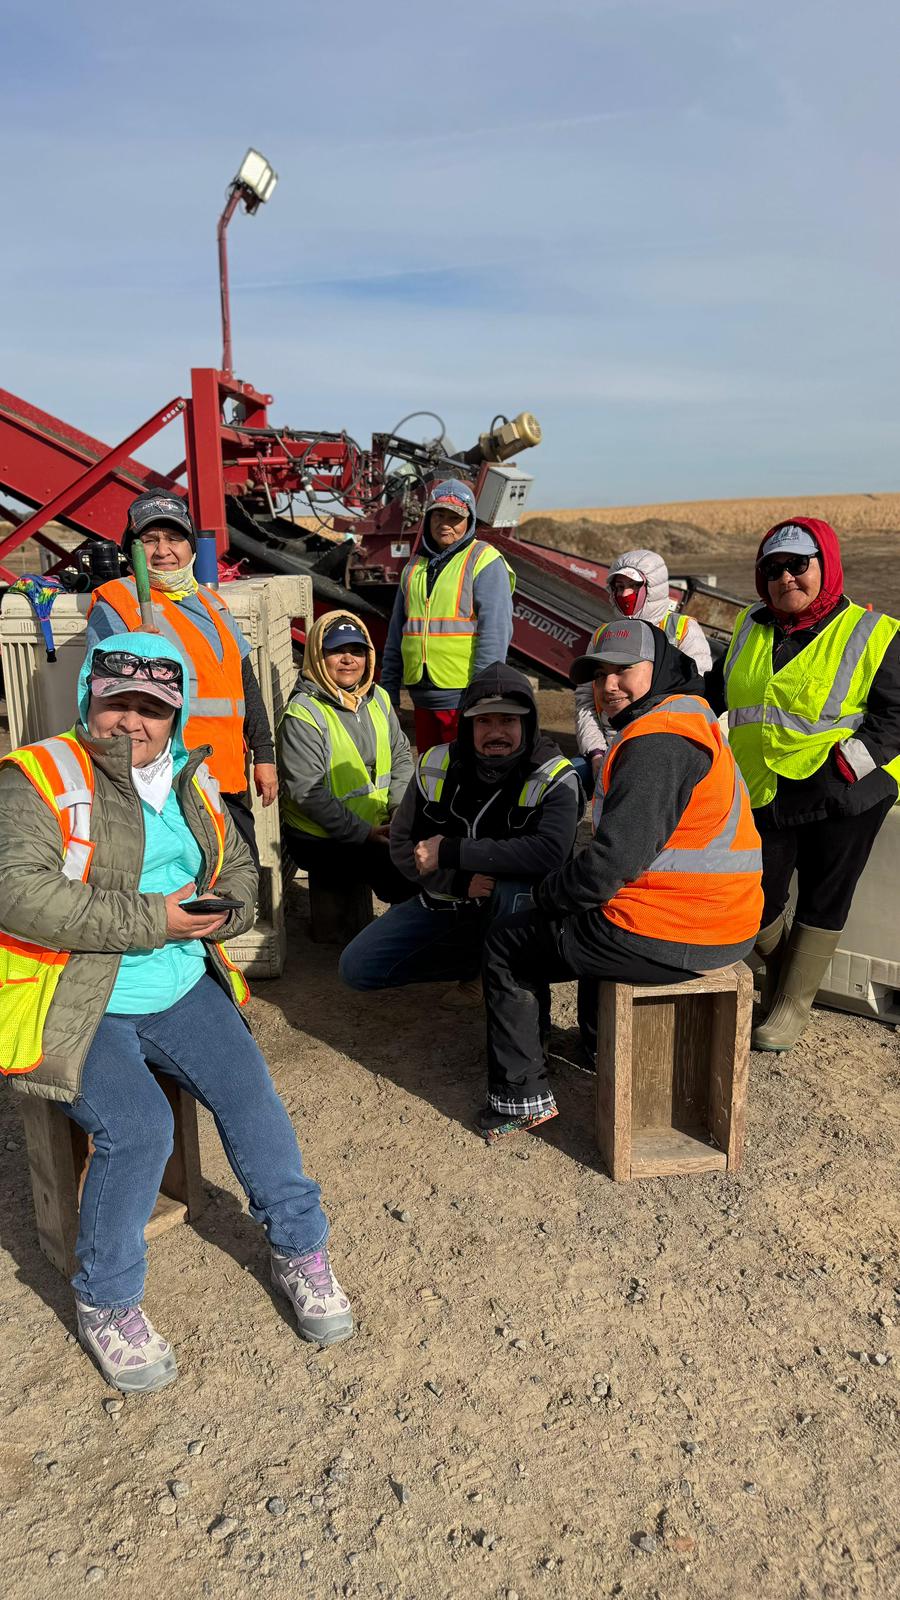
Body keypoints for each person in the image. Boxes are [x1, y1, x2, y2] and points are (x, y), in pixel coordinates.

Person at [0, 634, 353, 1393]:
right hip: (78, 998)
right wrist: (154, 921)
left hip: (180, 983)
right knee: (139, 1128)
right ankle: (106, 1298)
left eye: (153, 709)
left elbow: (233, 871)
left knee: (251, 1094)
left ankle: (301, 1248)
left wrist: (220, 916)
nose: (133, 722)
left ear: (176, 714)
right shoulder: (39, 776)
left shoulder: (193, 777)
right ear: (89, 697)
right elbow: (18, 894)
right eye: (117, 702)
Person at [479, 620, 763, 1142]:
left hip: (679, 929)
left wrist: (545, 894)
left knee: (508, 941)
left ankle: (521, 1096)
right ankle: (593, 1042)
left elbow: (608, 866)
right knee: (586, 916)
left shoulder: (657, 743)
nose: (609, 685)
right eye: (599, 674)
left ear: (658, 670)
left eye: (623, 671)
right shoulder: (688, 716)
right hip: (723, 916)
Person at [707, 517, 900, 1052]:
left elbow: (896, 715)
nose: (785, 577)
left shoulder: (874, 631)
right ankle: (786, 973)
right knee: (756, 897)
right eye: (772, 568)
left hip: (847, 791)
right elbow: (719, 691)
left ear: (826, 566)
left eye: (798, 565)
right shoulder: (751, 624)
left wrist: (848, 766)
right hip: (767, 785)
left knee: (823, 894)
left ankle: (791, 1005)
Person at [339, 662, 580, 1008]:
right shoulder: (436, 763)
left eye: (508, 720)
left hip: (521, 911)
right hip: (449, 900)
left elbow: (549, 853)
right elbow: (404, 842)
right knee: (357, 968)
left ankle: (500, 973)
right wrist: (457, 883)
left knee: (515, 897)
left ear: (527, 724)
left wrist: (455, 851)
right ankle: (478, 965)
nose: (496, 731)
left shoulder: (554, 773)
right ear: (467, 724)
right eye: (484, 721)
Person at [85, 490, 277, 862]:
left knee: (238, 879)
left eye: (174, 538)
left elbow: (245, 685)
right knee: (183, 892)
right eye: (149, 540)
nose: (163, 551)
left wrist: (265, 755)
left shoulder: (214, 604)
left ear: (191, 548)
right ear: (132, 550)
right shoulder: (116, 604)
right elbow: (99, 700)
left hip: (226, 777)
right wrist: (130, 654)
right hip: (166, 784)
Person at [278, 611, 416, 904]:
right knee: (407, 875)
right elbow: (307, 793)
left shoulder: (377, 697)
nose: (348, 659)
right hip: (321, 836)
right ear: (317, 655)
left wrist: (400, 812)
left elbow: (402, 755)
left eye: (357, 650)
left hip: (378, 823)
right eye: (336, 651)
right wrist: (364, 833)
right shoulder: (304, 713)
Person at [381, 478, 515, 751]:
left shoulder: (484, 561)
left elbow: (495, 634)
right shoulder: (413, 568)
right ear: (428, 518)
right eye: (438, 514)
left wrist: (482, 696)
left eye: (455, 517)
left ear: (469, 521)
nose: (445, 523)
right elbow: (397, 634)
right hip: (421, 699)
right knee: (433, 776)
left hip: (463, 700)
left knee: (463, 779)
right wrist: (389, 694)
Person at [575, 547, 712, 787]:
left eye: (633, 586)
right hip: (611, 752)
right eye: (618, 586)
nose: (625, 593)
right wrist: (596, 752)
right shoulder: (602, 636)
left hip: (664, 753)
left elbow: (695, 700)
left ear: (653, 586)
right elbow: (586, 701)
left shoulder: (682, 630)